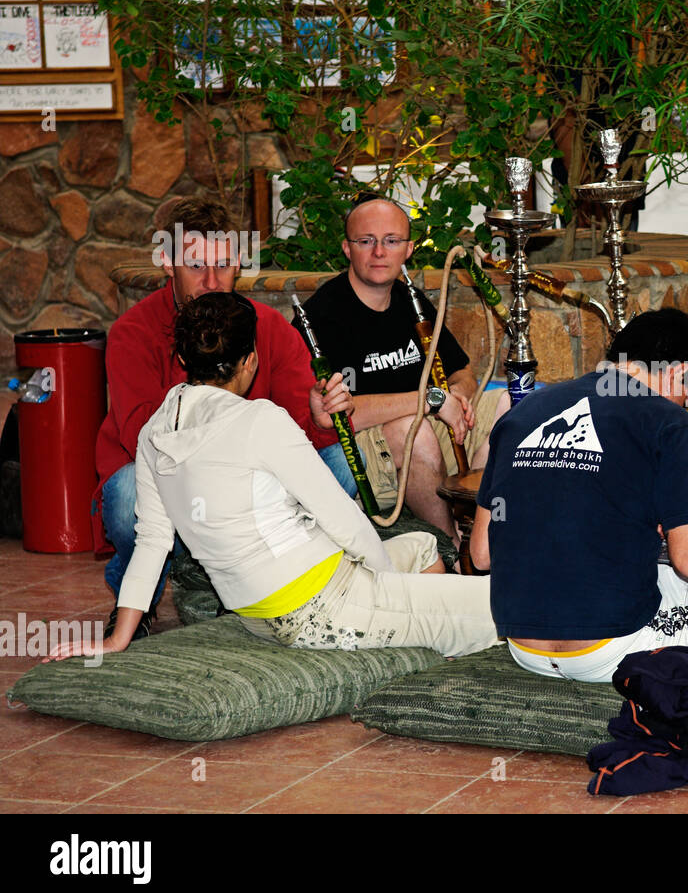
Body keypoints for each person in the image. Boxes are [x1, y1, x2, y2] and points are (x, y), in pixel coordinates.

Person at [51, 293, 499, 661]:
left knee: (421, 546)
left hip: (256, 614)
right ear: (250, 361)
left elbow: (151, 542)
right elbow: (341, 517)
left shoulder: (154, 432)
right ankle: (427, 631)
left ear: (186, 358)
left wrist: (117, 638)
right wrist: (387, 589)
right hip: (323, 602)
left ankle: (421, 642)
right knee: (506, 605)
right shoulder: (260, 420)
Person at [471, 308, 688, 684]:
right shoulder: (667, 421)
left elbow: (482, 553)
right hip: (613, 649)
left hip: (522, 646)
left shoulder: (523, 412)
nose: (686, 403)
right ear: (677, 373)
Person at [94, 196, 355, 641]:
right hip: (166, 473)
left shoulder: (271, 328)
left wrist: (319, 419)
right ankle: (138, 593)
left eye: (224, 265)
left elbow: (302, 431)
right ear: (169, 267)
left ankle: (280, 582)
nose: (212, 281)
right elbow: (146, 433)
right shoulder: (131, 333)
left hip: (250, 483)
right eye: (196, 266)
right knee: (122, 500)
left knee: (340, 470)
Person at [293, 196, 509, 541]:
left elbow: (462, 371)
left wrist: (459, 398)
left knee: (508, 405)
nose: (380, 252)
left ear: (408, 249)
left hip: (431, 421)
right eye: (366, 241)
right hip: (365, 451)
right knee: (414, 430)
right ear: (348, 249)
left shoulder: (411, 300)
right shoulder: (323, 316)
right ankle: (451, 544)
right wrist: (433, 400)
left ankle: (477, 525)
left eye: (391, 241)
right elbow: (340, 413)